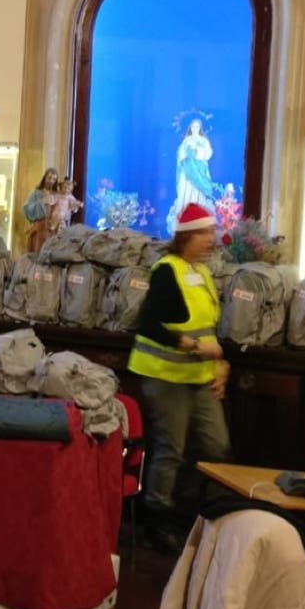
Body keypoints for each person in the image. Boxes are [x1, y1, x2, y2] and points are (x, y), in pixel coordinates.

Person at [127, 202, 231, 554]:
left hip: (200, 376)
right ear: (187, 236)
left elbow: (209, 328)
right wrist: (189, 345)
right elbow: (148, 324)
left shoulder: (201, 273)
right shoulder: (166, 271)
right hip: (164, 374)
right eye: (205, 233)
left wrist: (220, 365)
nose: (211, 239)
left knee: (216, 445)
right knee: (171, 449)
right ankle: (157, 518)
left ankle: (198, 513)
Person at [170, 118, 218, 233]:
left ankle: (197, 219)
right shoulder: (186, 140)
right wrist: (186, 153)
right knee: (185, 192)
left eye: (197, 126)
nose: (195, 128)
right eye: (193, 126)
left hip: (199, 173)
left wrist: (196, 152)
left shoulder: (203, 141)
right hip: (187, 173)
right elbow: (180, 155)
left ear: (200, 128)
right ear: (190, 128)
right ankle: (184, 218)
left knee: (197, 194)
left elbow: (208, 153)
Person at [23, 167, 58, 255]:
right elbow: (26, 209)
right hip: (39, 229)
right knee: (37, 253)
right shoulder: (36, 193)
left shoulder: (57, 195)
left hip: (53, 229)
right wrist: (41, 202)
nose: (51, 181)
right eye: (49, 177)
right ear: (45, 178)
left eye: (54, 179)